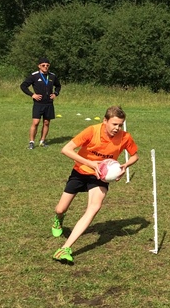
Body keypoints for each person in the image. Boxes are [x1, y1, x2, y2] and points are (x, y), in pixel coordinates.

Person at [51, 106, 139, 263]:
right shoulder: (92, 131)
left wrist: (125, 166)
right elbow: (66, 149)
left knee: (94, 207)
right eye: (114, 124)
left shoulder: (125, 137)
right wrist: (91, 164)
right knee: (60, 208)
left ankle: (65, 248)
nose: (117, 128)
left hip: (101, 177)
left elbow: (135, 156)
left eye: (120, 125)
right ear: (105, 121)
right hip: (80, 172)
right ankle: (58, 218)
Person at [20, 57, 61, 149]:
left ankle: (42, 141)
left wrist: (55, 93)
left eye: (47, 65)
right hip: (38, 103)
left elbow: (58, 86)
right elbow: (23, 86)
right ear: (39, 66)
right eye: (43, 65)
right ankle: (31, 142)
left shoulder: (52, 76)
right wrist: (32, 95)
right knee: (36, 122)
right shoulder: (34, 76)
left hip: (49, 103)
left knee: (46, 122)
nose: (45, 67)